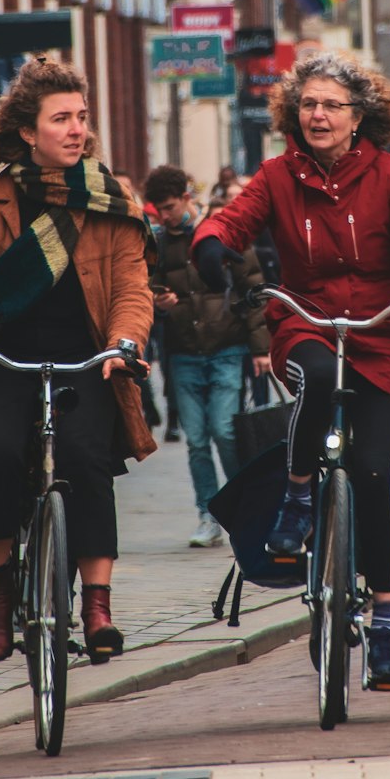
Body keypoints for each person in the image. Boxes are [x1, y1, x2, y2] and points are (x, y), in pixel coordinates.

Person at [190, 52, 390, 690]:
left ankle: (386, 626)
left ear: (358, 115)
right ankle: (300, 494)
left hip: (382, 332)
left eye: (332, 104)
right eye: (308, 104)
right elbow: (235, 217)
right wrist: (210, 243)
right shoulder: (279, 175)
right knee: (312, 375)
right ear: (293, 112)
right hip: (306, 322)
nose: (318, 114)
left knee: (373, 474)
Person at [0, 58, 155, 663]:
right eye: (61, 119)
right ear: (28, 132)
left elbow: (134, 289)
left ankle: (97, 604)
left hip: (90, 359)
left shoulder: (111, 199)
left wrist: (125, 344)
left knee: (87, 461)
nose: (76, 128)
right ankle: (0, 595)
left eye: (82, 117)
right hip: (1, 360)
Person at [143, 164, 270, 548]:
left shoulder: (221, 233)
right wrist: (158, 302)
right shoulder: (158, 243)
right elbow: (143, 290)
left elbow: (253, 290)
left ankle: (240, 507)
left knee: (224, 430)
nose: (164, 216)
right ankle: (208, 514)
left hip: (226, 347)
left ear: (187, 197)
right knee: (197, 440)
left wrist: (261, 348)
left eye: (169, 206)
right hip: (182, 354)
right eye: (158, 209)